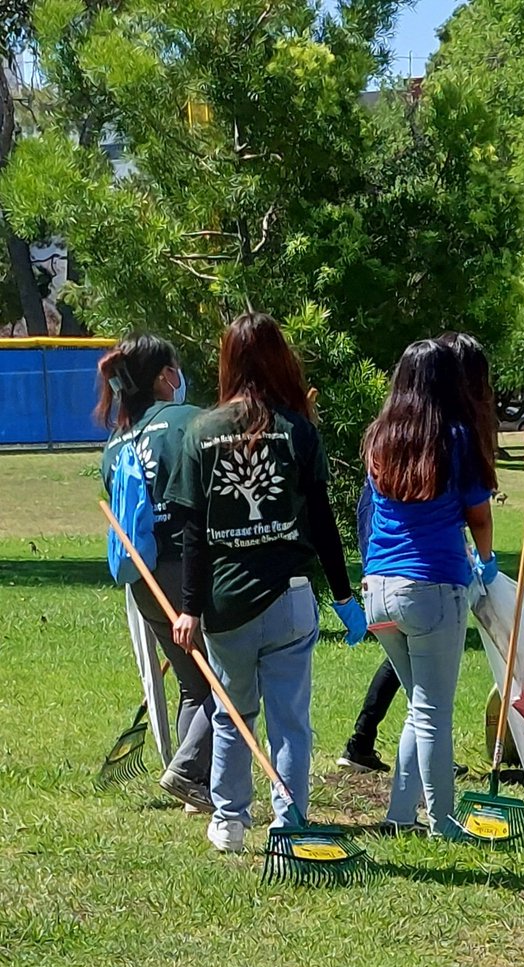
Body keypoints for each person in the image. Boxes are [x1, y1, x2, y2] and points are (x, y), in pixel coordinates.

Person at [166, 312, 365, 853]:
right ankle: (290, 821)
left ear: (228, 360)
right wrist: (345, 596)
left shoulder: (200, 432)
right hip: (291, 599)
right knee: (290, 722)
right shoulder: (298, 429)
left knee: (233, 714)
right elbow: (322, 521)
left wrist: (188, 608)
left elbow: (193, 531)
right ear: (281, 358)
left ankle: (230, 823)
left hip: (225, 604)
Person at [338, 332, 497, 779]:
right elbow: (479, 517)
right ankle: (442, 821)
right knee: (431, 713)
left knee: (416, 706)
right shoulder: (455, 438)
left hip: (377, 590)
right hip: (431, 586)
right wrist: (486, 560)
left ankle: (400, 814)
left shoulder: (379, 438)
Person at [97, 334, 214, 812]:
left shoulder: (115, 442)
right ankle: (186, 771)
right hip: (183, 567)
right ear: (167, 376)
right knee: (227, 682)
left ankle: (195, 789)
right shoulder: (188, 421)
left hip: (142, 578)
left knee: (194, 683)